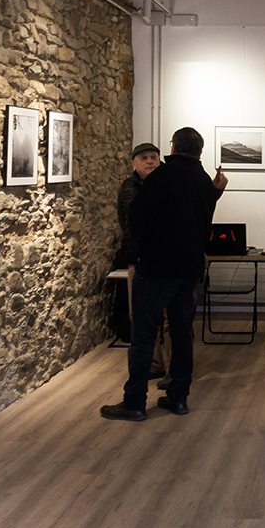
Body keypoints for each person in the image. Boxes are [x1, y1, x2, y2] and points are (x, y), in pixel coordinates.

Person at [101, 127, 228, 421]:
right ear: (199, 150)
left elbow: (138, 222)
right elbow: (204, 220)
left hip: (157, 269)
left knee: (143, 336)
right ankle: (178, 398)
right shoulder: (202, 181)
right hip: (189, 270)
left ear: (173, 148)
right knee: (182, 335)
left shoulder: (161, 177)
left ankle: (134, 403)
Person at [111, 143, 163, 366]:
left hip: (164, 259)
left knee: (167, 319)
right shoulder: (127, 188)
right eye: (144, 158)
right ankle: (152, 364)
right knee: (139, 316)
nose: (149, 161)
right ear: (134, 163)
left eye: (153, 157)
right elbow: (126, 222)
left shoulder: (166, 185)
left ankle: (170, 367)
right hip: (137, 258)